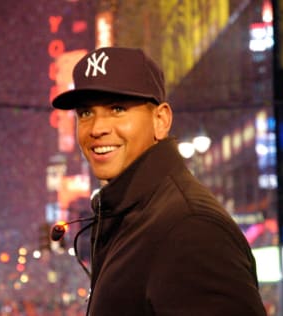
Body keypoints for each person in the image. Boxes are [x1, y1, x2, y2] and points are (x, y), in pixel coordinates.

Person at [52, 46, 267, 315]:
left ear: (161, 120)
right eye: (85, 113)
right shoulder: (131, 216)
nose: (97, 128)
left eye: (117, 108)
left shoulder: (190, 228)